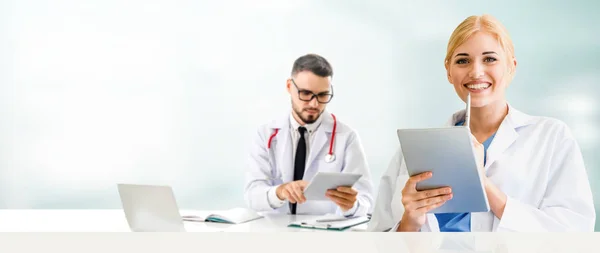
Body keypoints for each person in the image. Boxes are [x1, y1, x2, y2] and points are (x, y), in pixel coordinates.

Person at [368, 14, 596, 232]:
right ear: (449, 71)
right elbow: (378, 237)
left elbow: (573, 231)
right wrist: (410, 222)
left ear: (511, 67)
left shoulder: (551, 137)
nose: (476, 72)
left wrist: (482, 183)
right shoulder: (414, 151)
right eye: (463, 60)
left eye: (490, 59)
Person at [244, 53, 374, 216]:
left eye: (322, 95)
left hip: (323, 234)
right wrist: (280, 192)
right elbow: (252, 195)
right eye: (305, 93)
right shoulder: (266, 135)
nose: (314, 103)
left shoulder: (346, 137)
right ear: (289, 87)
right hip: (275, 233)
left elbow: (366, 201)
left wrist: (352, 206)